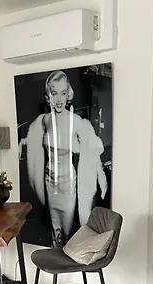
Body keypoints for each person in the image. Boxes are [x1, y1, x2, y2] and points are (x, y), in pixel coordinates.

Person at [20, 70, 108, 247]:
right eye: (54, 93)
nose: (59, 99)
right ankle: (55, 257)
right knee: (55, 229)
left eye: (63, 93)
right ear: (49, 96)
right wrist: (23, 142)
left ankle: (64, 258)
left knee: (66, 231)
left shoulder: (76, 121)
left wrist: (99, 174)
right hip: (50, 181)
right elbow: (34, 140)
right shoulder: (44, 120)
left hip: (68, 183)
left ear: (68, 94)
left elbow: (91, 148)